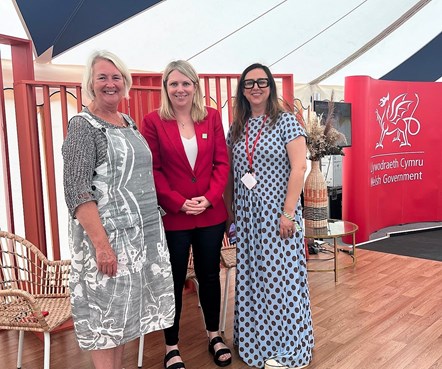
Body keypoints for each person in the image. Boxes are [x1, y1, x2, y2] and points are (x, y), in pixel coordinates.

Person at [62, 50, 175, 369]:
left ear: (125, 84)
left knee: (124, 321)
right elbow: (77, 191)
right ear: (90, 83)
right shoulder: (83, 127)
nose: (110, 84)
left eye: (116, 78)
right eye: (102, 77)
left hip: (138, 242)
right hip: (108, 243)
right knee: (105, 322)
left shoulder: (127, 122)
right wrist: (102, 247)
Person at [141, 60, 232, 369]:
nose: (180, 89)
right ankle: (171, 346)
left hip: (210, 214)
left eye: (185, 83)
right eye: (173, 84)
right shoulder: (152, 121)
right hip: (174, 216)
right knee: (173, 279)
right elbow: (152, 169)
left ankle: (214, 335)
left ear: (195, 86)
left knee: (209, 275)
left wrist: (208, 198)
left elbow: (222, 163)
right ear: (166, 88)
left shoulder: (212, 118)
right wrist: (178, 202)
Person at [224, 63, 314, 369]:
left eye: (262, 82)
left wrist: (288, 213)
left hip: (279, 217)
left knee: (281, 281)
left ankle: (288, 348)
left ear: (271, 86)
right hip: (248, 221)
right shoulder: (237, 127)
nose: (256, 88)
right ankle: (256, 341)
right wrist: (229, 216)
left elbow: (299, 168)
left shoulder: (286, 122)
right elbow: (231, 175)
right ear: (242, 90)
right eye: (249, 83)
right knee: (253, 280)